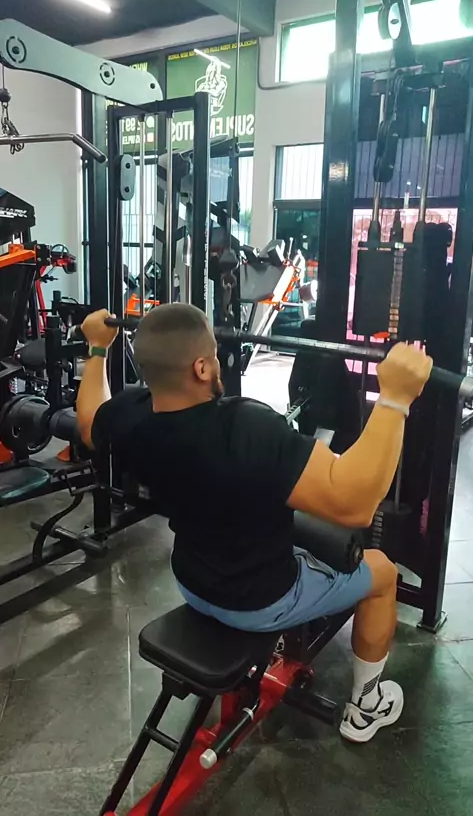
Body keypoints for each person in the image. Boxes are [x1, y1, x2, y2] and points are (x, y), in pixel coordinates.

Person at [77, 305, 432, 744]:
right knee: (382, 572)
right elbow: (355, 505)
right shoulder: (245, 426)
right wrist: (395, 398)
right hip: (260, 600)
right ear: (202, 367)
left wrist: (97, 350)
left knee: (292, 536)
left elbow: (88, 423)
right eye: (213, 353)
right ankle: (366, 707)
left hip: (191, 581)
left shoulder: (131, 414)